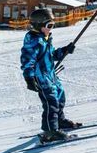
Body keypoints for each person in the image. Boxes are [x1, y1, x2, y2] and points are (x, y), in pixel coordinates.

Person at [19, 8, 80, 143]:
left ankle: (59, 121)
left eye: (53, 25)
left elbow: (52, 55)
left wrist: (64, 51)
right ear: (39, 26)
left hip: (51, 75)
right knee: (50, 103)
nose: (52, 29)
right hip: (41, 78)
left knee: (60, 96)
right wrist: (29, 78)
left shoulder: (45, 39)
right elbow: (27, 61)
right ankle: (50, 131)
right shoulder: (33, 42)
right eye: (49, 26)